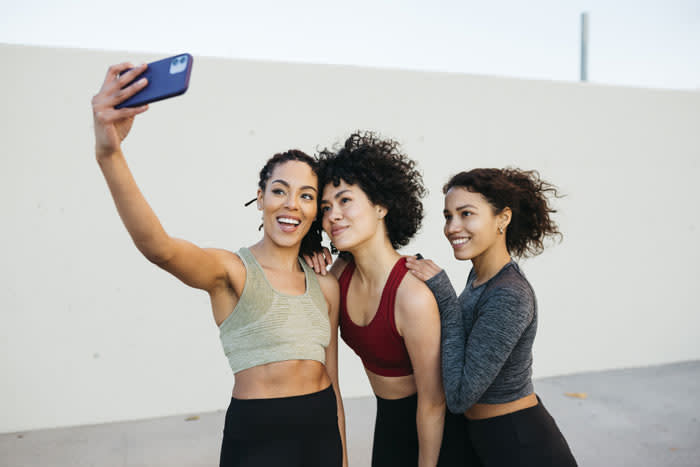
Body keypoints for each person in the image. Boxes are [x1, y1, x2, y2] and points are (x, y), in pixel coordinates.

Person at [91, 62, 347, 467]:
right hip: (259, 436)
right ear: (260, 198)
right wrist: (110, 153)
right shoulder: (231, 271)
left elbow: (333, 385)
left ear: (316, 210)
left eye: (306, 196)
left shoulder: (325, 284)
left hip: (320, 434)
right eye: (279, 191)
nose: (291, 205)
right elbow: (159, 247)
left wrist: (343, 458)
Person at [309, 132, 468, 466]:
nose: (333, 215)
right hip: (389, 426)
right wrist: (306, 252)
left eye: (344, 200)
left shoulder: (412, 296)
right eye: (325, 208)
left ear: (380, 205)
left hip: (436, 434)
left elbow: (433, 402)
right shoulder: (338, 277)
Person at [405, 168, 578, 466]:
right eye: (448, 216)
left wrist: (444, 295)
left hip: (521, 444)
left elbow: (460, 396)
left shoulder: (510, 294)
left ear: (503, 218)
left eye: (466, 213)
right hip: (488, 438)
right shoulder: (479, 277)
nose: (452, 227)